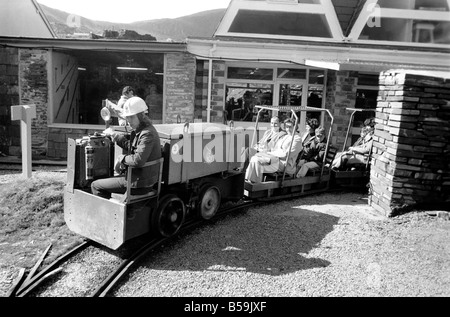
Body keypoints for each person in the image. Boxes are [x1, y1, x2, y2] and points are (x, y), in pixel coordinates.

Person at [91, 97, 161, 199]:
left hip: (139, 183)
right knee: (105, 180)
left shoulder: (147, 134)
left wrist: (121, 158)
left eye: (131, 117)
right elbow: (132, 147)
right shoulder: (142, 130)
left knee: (96, 185)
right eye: (127, 117)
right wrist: (115, 136)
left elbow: (138, 160)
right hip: (138, 178)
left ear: (141, 115)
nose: (128, 121)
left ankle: (109, 213)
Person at [245, 118, 302, 183]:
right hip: (275, 159)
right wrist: (269, 152)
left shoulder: (297, 139)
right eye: (286, 127)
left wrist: (272, 153)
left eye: (290, 127)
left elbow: (287, 155)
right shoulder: (286, 136)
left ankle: (255, 185)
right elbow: (275, 149)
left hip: (284, 164)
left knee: (257, 161)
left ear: (295, 127)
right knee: (254, 158)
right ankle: (248, 181)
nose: (288, 129)